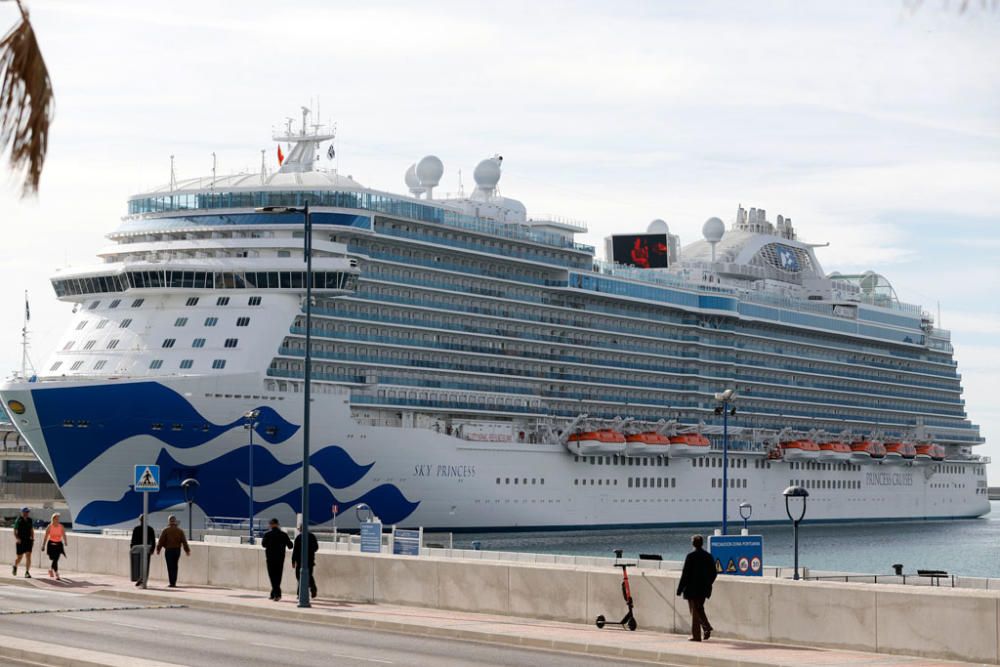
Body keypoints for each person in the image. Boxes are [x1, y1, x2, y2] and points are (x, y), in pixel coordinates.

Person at [676, 534, 717, 642]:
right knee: (699, 609)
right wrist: (708, 583)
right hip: (704, 589)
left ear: (693, 543)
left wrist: (679, 589)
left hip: (692, 589)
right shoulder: (708, 556)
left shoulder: (690, 556)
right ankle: (706, 627)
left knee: (695, 612)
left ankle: (697, 635)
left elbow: (685, 574)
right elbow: (714, 573)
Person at [261, 518, 293, 601]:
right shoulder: (283, 534)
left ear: (271, 525)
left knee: (272, 576)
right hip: (280, 559)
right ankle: (274, 593)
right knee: (278, 577)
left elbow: (263, 545)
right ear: (278, 524)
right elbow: (290, 546)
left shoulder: (267, 534)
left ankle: (277, 594)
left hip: (270, 559)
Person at [155, 515, 190, 587]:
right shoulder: (180, 531)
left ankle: (171, 583)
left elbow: (161, 541)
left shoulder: (165, 530)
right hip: (177, 551)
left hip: (169, 550)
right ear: (175, 521)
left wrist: (158, 549)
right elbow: (184, 542)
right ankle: (174, 582)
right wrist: (187, 550)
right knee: (175, 566)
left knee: (170, 566)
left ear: (169, 521)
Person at [291, 524, 318, 599]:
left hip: (300, 561)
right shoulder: (312, 536)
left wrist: (293, 561)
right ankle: (313, 588)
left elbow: (295, 550)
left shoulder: (299, 537)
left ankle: (300, 594)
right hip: (310, 560)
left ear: (301, 529)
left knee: (299, 576)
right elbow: (316, 548)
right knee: (308, 576)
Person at [130, 514, 156, 587]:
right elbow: (133, 540)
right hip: (139, 550)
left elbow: (153, 540)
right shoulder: (137, 529)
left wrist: (152, 549)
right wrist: (132, 548)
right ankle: (140, 579)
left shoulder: (150, 529)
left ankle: (143, 580)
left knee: (145, 566)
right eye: (142, 519)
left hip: (146, 550)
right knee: (139, 565)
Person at [41, 512, 67, 580]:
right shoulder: (49, 526)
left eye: (58, 518)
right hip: (51, 545)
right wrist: (43, 545)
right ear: (53, 519)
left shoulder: (61, 526)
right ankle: (51, 570)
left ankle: (56, 573)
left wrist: (65, 541)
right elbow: (46, 536)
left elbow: (64, 534)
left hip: (59, 545)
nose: (58, 520)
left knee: (56, 559)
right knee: (53, 559)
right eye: (56, 518)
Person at [12, 507, 34, 578]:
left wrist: (32, 538)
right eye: (25, 512)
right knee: (20, 557)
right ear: (22, 512)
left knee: (28, 556)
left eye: (27, 512)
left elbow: (31, 530)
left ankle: (27, 572)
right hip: (20, 541)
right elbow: (15, 531)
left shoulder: (30, 520)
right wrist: (17, 539)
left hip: (28, 540)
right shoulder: (18, 520)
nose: (26, 513)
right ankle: (15, 566)